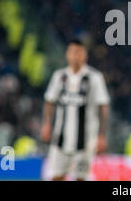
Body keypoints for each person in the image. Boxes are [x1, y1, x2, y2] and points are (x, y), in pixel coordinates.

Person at [40, 39, 110, 181]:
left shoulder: (94, 77)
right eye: (72, 52)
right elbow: (49, 102)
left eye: (79, 52)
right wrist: (46, 124)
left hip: (85, 142)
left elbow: (103, 106)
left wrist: (102, 135)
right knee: (56, 176)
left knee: (81, 178)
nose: (75, 55)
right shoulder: (59, 77)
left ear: (85, 55)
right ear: (67, 54)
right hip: (60, 139)